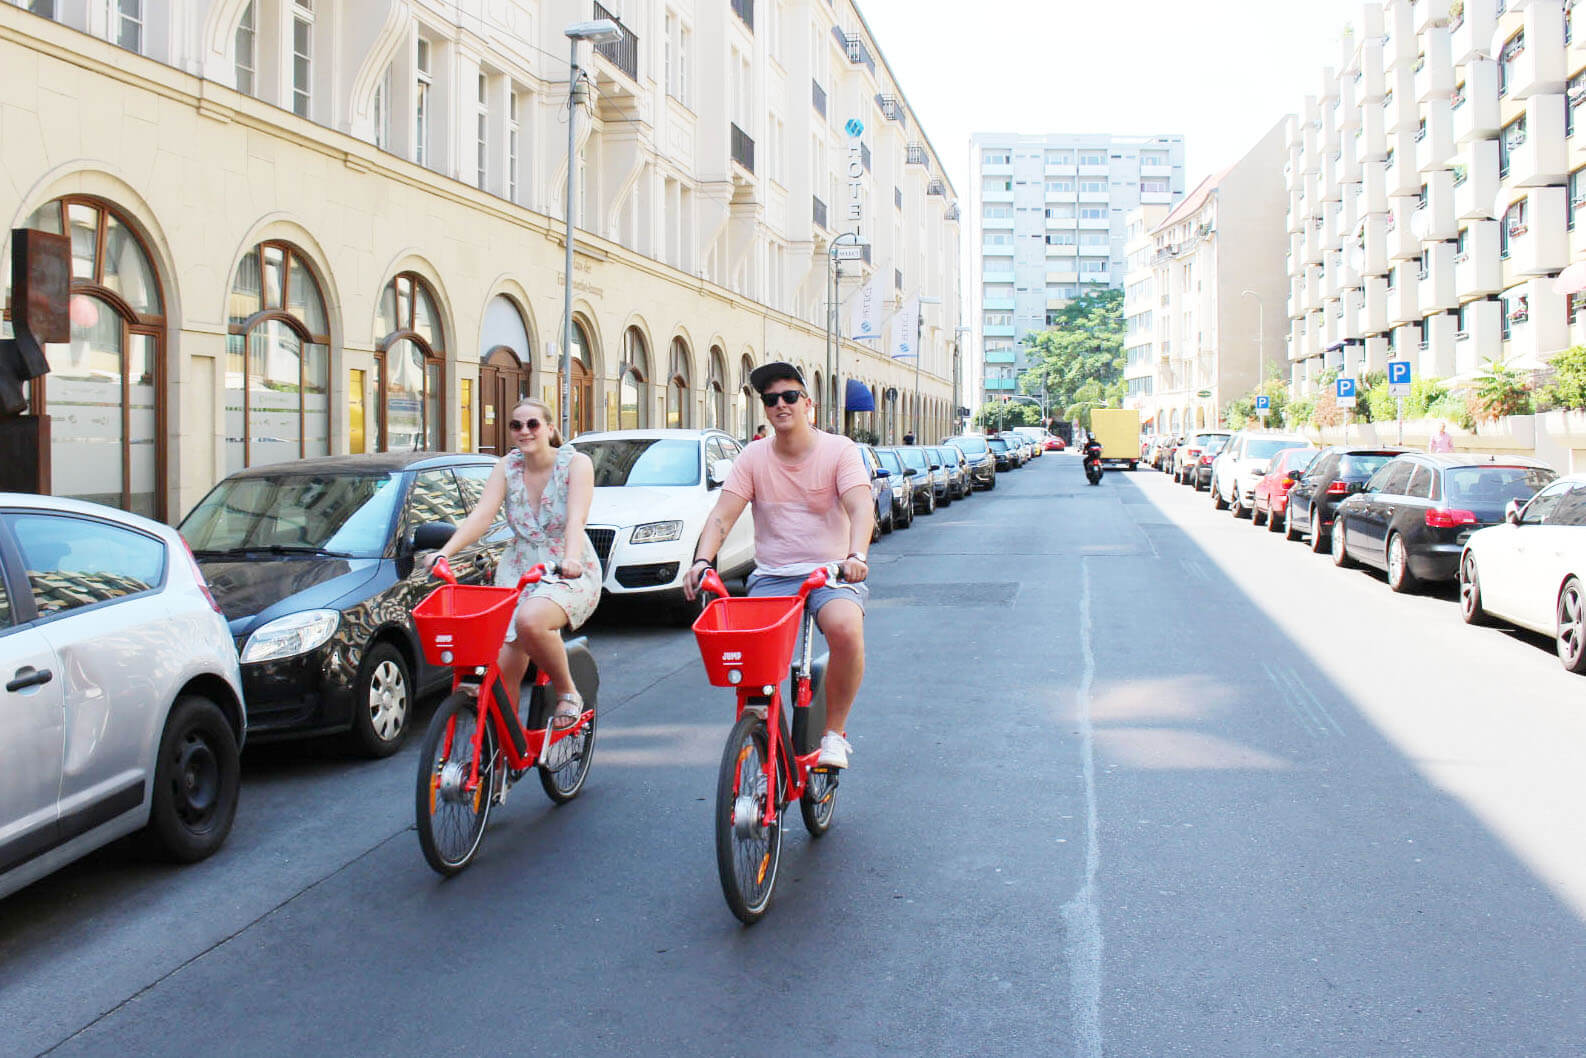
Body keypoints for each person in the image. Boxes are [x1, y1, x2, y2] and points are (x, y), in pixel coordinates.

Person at [684, 361, 872, 769]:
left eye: (790, 397)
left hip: (832, 572)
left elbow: (860, 505)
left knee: (844, 629)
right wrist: (702, 561)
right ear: (765, 409)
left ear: (809, 404)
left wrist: (856, 556)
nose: (781, 405)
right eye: (771, 400)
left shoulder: (838, 450)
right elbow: (722, 515)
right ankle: (764, 736)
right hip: (772, 576)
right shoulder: (752, 457)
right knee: (753, 668)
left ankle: (834, 733)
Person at [423, 398, 601, 730]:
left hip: (566, 567)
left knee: (531, 621)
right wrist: (445, 551)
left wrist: (571, 559)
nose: (524, 431)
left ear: (549, 428)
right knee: (501, 670)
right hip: (517, 568)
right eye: (516, 425)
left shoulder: (576, 464)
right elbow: (481, 516)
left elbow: (576, 519)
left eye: (532, 424)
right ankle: (503, 763)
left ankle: (567, 692)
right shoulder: (506, 467)